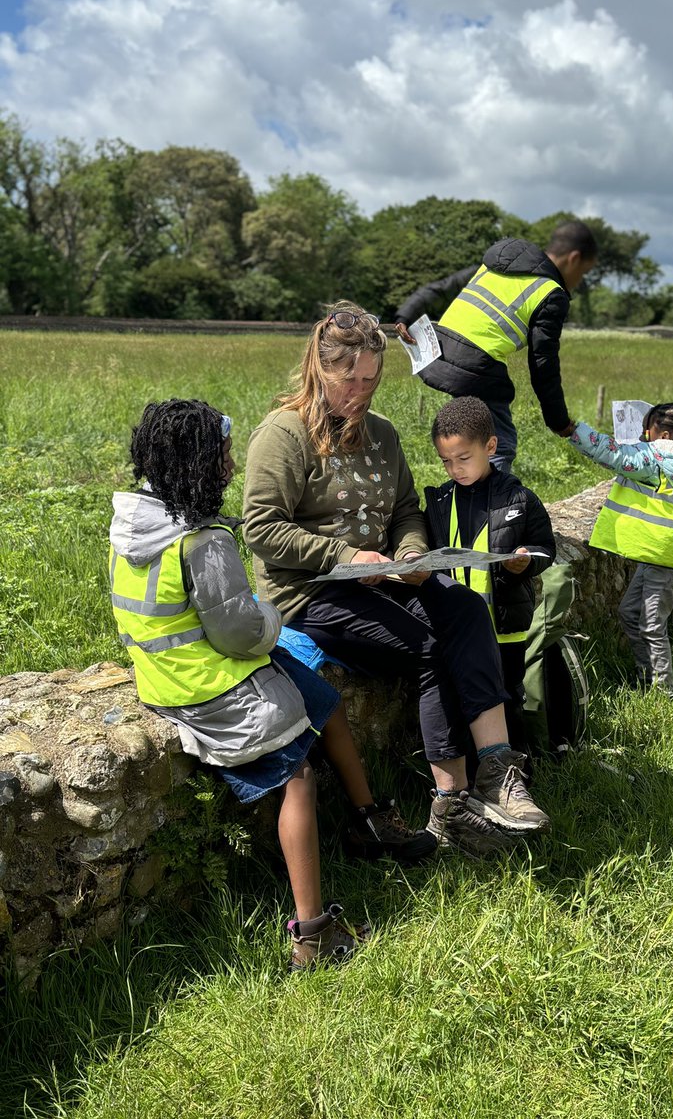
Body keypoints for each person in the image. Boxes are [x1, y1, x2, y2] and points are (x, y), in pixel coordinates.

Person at [109, 399, 434, 973]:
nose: (232, 467)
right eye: (225, 456)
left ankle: (367, 820)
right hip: (212, 688)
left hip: (172, 674)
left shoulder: (135, 526)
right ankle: (313, 934)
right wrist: (272, 617)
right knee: (299, 776)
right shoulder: (202, 542)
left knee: (322, 702)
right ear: (200, 464)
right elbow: (240, 632)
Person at [242, 302, 551, 858]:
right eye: (349, 379)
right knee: (432, 643)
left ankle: (499, 772)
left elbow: (407, 509)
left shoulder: (381, 434)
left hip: (382, 575)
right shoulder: (283, 435)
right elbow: (262, 530)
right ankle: (451, 805)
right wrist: (344, 556)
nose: (361, 391)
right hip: (311, 591)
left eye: (372, 379)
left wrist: (408, 553)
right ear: (319, 366)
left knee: (465, 610)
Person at [394, 220, 598, 472]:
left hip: (437, 354)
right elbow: (543, 365)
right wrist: (559, 422)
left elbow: (441, 288)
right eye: (584, 272)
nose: (580, 281)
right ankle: (492, 506)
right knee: (498, 445)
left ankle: (467, 495)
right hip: (474, 367)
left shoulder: (495, 264)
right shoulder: (551, 292)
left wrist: (404, 315)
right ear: (574, 258)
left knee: (471, 441)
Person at [423, 396, 556, 753]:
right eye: (446, 461)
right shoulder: (438, 501)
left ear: (491, 446)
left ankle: (517, 768)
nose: (455, 469)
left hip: (504, 629)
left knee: (506, 697)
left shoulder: (521, 499)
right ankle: (472, 768)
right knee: (459, 698)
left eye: (463, 458)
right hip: (457, 627)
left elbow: (545, 548)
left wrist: (526, 562)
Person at [568, 402, 673, 696]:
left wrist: (571, 430)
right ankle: (646, 678)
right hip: (665, 552)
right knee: (631, 613)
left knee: (650, 623)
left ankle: (663, 693)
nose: (645, 436)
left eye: (649, 430)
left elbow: (612, 454)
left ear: (666, 435)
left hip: (665, 555)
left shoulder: (657, 461)